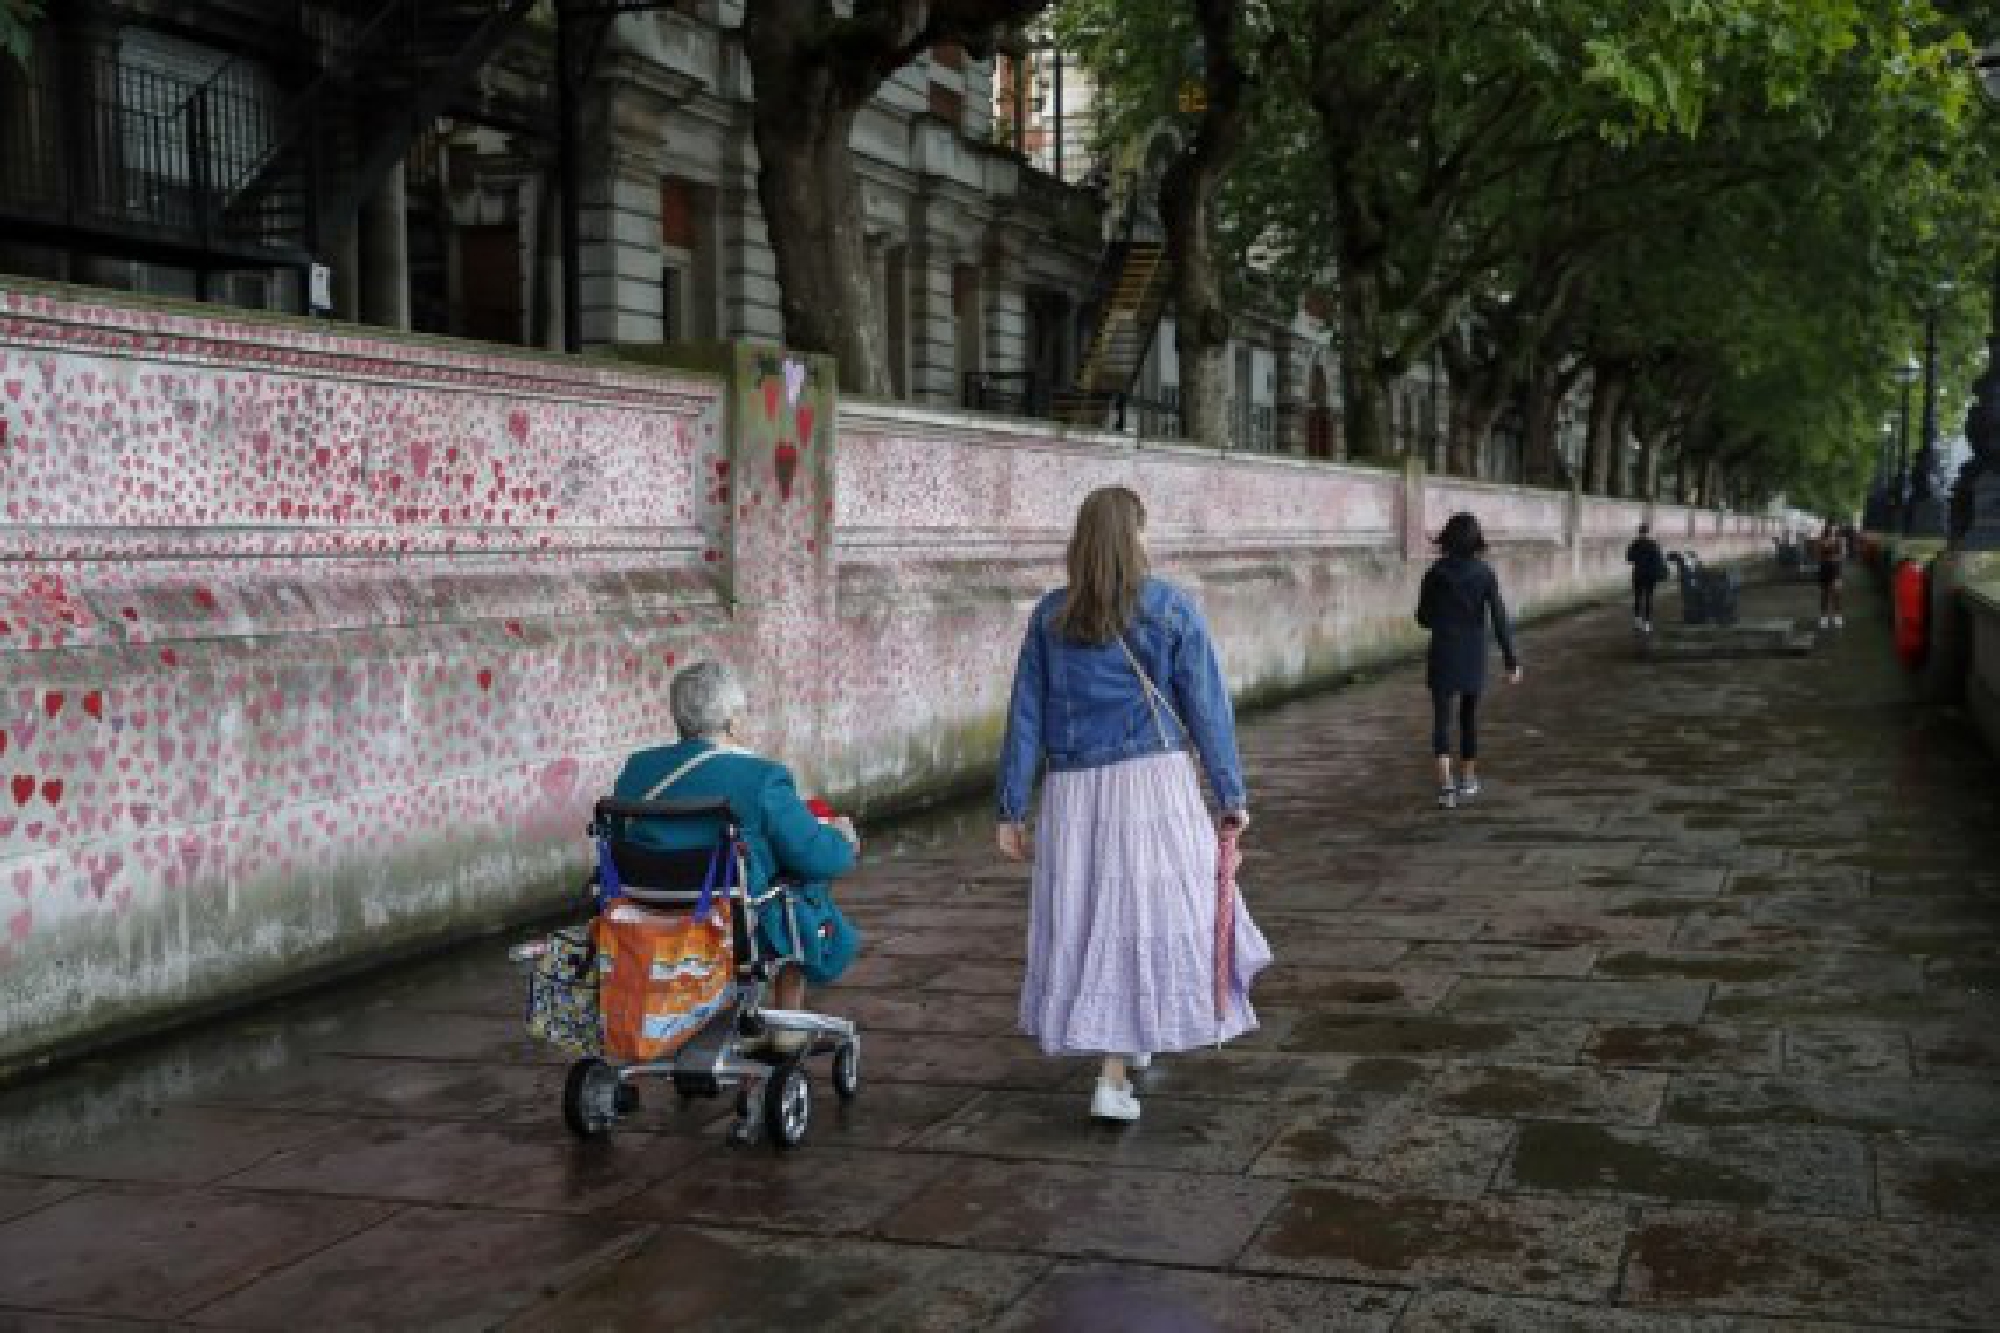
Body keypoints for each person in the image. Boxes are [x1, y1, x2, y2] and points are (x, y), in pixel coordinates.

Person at [996, 486, 1271, 1124]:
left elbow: (1025, 717)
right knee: (1150, 915)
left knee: (1093, 918)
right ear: (1132, 538)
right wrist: (1231, 794)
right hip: (1154, 784)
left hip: (1072, 793)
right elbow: (1209, 709)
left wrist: (1011, 808)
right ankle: (1113, 1077)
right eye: (1143, 531)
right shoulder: (1171, 608)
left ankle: (1130, 1038)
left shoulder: (1049, 616)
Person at [612, 661, 860, 1048]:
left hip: (645, 916)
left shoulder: (638, 770)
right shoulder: (760, 778)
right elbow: (819, 857)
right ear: (732, 722)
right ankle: (786, 1028)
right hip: (730, 927)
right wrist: (843, 838)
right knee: (797, 889)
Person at [1416, 512, 1523, 810]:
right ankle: (1470, 779)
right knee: (1468, 717)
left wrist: (1440, 617)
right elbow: (1499, 618)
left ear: (1447, 537)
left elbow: (1423, 617)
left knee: (1441, 719)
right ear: (1476, 539)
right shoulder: (1485, 574)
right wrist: (1511, 660)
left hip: (1443, 651)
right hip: (1473, 653)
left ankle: (1446, 786)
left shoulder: (1435, 573)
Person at [1625, 522, 1669, 632]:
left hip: (1638, 574)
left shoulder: (1634, 544)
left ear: (1639, 532)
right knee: (1649, 598)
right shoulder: (1653, 544)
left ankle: (1637, 623)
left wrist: (1638, 559)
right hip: (1650, 575)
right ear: (1648, 532)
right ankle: (1647, 624)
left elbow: (1629, 558)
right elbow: (1659, 560)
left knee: (1637, 598)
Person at [1816, 520, 1845, 629]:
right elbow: (1818, 555)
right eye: (1831, 529)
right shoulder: (1821, 540)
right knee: (1824, 594)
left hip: (1836, 570)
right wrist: (1828, 554)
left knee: (1836, 594)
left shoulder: (1839, 540)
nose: (1833, 530)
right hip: (1824, 570)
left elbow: (1842, 555)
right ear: (1827, 529)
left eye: (1835, 529)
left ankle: (1837, 616)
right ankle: (1824, 617)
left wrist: (1835, 556)